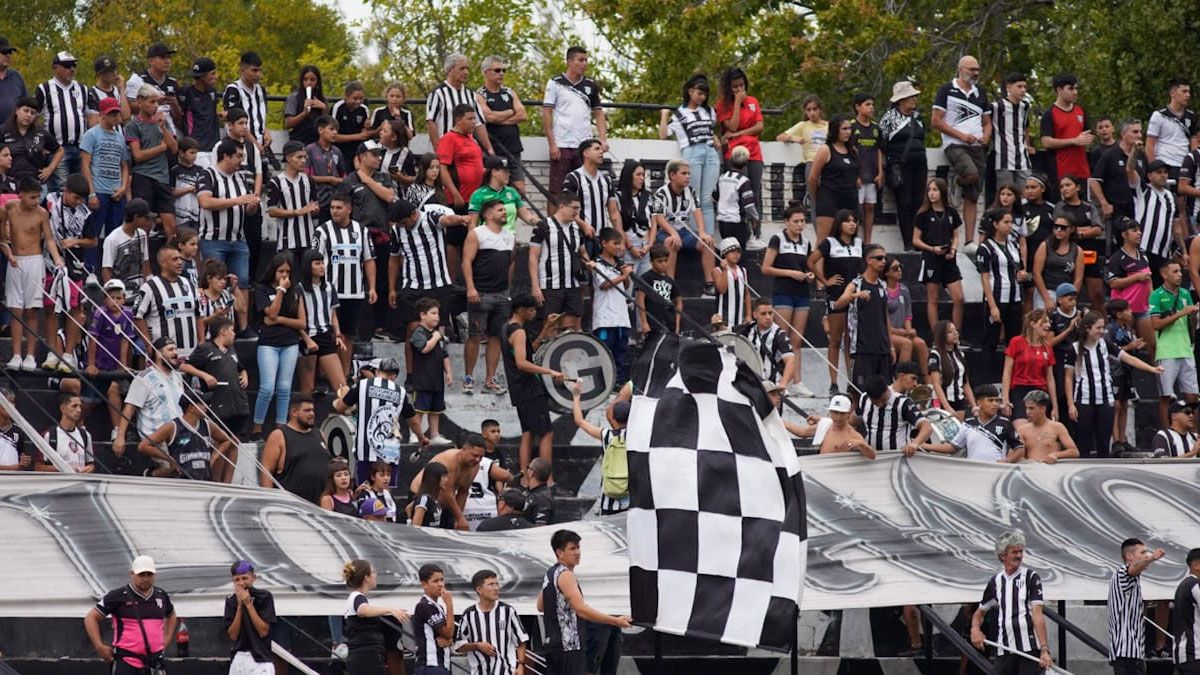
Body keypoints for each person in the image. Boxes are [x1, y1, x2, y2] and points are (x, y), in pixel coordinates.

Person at [1064, 311, 1161, 458]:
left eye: (1103, 327)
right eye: (1098, 328)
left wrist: (1151, 369)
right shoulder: (1074, 348)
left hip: (1105, 399)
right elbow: (1068, 378)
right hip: (1083, 399)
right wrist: (1071, 404)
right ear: (1087, 328)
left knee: (1104, 442)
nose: (1102, 331)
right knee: (1084, 442)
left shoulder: (1105, 344)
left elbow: (1128, 358)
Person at [386, 198, 469, 364]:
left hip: (438, 285)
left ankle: (436, 370)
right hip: (411, 285)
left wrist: (460, 219)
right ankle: (411, 373)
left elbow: (446, 220)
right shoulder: (397, 230)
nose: (403, 226)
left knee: (436, 331)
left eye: (404, 223)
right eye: (400, 224)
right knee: (412, 330)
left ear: (414, 214)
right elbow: (394, 259)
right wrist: (392, 288)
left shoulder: (430, 218)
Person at [538, 530, 632, 675]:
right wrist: (615, 621)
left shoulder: (550, 573)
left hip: (553, 644)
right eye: (572, 548)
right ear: (559, 552)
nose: (577, 552)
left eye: (578, 547)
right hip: (569, 645)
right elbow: (581, 610)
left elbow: (540, 606)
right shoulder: (566, 575)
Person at [969, 530, 1054, 673]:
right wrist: (975, 630)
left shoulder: (1031, 577)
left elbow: (1037, 614)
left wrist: (1044, 649)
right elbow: (979, 613)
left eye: (1021, 551)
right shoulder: (996, 581)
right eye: (1014, 552)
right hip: (1004, 648)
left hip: (1029, 648)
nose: (1019, 555)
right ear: (1003, 555)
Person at [3, 177, 64, 371]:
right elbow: (2, 239)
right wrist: (9, 254)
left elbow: (50, 240)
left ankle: (30, 355)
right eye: (32, 197)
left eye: (38, 197)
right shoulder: (9, 208)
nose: (36, 201)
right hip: (15, 261)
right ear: (21, 195)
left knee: (31, 311)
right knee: (15, 310)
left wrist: (57, 259)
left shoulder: (42, 213)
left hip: (35, 261)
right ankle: (16, 355)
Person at [333, 357, 425, 483]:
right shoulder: (400, 392)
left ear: (377, 372)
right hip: (390, 452)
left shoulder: (363, 385)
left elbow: (340, 407)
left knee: (364, 488)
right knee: (386, 488)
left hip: (365, 450)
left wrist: (344, 392)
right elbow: (413, 421)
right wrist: (421, 438)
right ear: (394, 376)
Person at [197, 138, 257, 324]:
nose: (242, 161)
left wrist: (251, 206)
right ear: (225, 156)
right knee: (215, 282)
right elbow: (205, 202)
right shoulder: (207, 174)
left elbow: (246, 209)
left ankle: (243, 327)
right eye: (238, 156)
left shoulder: (240, 177)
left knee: (242, 282)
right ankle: (216, 325)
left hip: (238, 239)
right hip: (213, 239)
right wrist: (238, 201)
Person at [932, 56, 991, 242]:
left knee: (973, 197)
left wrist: (986, 136)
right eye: (972, 69)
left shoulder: (980, 92)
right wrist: (960, 136)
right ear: (961, 69)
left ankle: (969, 241)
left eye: (977, 70)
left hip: (977, 146)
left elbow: (987, 122)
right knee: (971, 173)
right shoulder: (946, 89)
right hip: (955, 144)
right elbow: (936, 121)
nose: (976, 73)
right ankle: (956, 182)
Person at [85, 555, 176, 675]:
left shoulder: (161, 595)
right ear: (132, 574)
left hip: (154, 663)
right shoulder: (118, 596)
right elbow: (91, 618)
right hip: (127, 663)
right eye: (141, 575)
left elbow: (171, 615)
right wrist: (99, 645)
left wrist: (166, 640)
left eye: (149, 574)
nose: (146, 579)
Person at [42, 173, 97, 370]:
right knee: (50, 306)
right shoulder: (50, 201)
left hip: (74, 264)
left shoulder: (86, 213)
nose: (79, 202)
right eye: (76, 197)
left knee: (73, 307)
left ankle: (68, 354)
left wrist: (75, 241)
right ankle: (52, 351)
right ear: (66, 191)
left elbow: (93, 241)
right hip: (49, 261)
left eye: (82, 199)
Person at [313, 191, 375, 365]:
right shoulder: (322, 231)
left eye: (339, 208)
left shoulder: (361, 230)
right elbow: (313, 261)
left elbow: (369, 260)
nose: (334, 211)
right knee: (329, 334)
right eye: (332, 208)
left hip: (354, 294)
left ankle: (345, 374)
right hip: (329, 293)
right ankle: (327, 375)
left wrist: (372, 287)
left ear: (349, 209)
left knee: (348, 335)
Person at [251, 254, 306, 435]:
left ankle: (281, 428)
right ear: (273, 271)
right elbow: (271, 313)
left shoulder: (296, 290)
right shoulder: (262, 289)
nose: (284, 275)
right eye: (281, 271)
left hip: (290, 343)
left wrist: (279, 320)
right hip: (268, 343)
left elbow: (302, 323)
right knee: (267, 388)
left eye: (287, 272)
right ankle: (257, 428)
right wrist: (281, 290)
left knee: (284, 388)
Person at [543, 46, 605, 207]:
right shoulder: (555, 83)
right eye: (580, 60)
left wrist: (603, 140)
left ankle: (581, 222)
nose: (584, 64)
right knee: (556, 191)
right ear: (570, 61)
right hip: (562, 145)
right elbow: (547, 113)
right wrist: (552, 143)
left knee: (583, 189)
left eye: (586, 60)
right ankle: (553, 223)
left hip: (584, 146)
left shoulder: (590, 85)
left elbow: (599, 113)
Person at [661, 74, 721, 237]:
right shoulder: (679, 114)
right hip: (692, 152)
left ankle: (708, 237)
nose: (702, 97)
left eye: (705, 94)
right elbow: (663, 135)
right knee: (695, 198)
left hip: (710, 153)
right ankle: (698, 237)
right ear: (690, 91)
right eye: (699, 93)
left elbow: (709, 130)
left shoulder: (708, 111)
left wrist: (715, 137)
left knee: (707, 198)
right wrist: (664, 115)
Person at [761, 202, 812, 392]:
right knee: (782, 338)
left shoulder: (806, 242)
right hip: (783, 292)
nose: (800, 225)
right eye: (796, 221)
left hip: (802, 293)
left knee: (797, 339)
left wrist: (809, 275)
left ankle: (797, 382)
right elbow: (766, 268)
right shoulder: (778, 239)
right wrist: (790, 273)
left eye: (803, 221)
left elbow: (807, 266)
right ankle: (780, 379)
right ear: (786, 222)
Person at [810, 209, 862, 395]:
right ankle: (833, 383)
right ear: (839, 224)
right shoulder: (829, 243)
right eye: (847, 221)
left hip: (854, 296)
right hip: (836, 296)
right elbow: (811, 261)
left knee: (850, 341)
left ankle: (850, 381)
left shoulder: (859, 243)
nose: (852, 224)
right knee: (835, 339)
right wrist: (825, 281)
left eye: (854, 220)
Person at [183, 316, 250, 448]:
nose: (234, 334)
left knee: (235, 443)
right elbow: (185, 366)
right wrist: (204, 375)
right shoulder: (205, 348)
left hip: (237, 402)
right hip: (218, 402)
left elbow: (241, 368)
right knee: (219, 441)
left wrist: (244, 375)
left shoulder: (232, 349)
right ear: (223, 331)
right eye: (232, 330)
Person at [113, 335, 184, 457]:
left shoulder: (178, 376)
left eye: (175, 349)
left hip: (178, 436)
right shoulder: (144, 378)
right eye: (170, 349)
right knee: (170, 465)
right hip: (156, 439)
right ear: (159, 354)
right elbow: (129, 408)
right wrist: (120, 437)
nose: (175, 353)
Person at [136, 394, 233, 480]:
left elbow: (226, 440)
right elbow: (143, 446)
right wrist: (168, 458)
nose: (206, 406)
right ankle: (152, 474)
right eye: (201, 404)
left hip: (204, 480)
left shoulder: (208, 425)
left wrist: (214, 457)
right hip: (182, 481)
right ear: (191, 408)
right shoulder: (173, 426)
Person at [1150, 259, 1199, 426]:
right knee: (1165, 396)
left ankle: (1193, 434)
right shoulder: (1156, 295)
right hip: (1166, 351)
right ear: (1164, 274)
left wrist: (1193, 315)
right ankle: (1166, 433)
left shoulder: (1185, 293)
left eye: (1180, 271)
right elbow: (1156, 324)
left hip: (1185, 349)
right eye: (1175, 272)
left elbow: (1191, 321)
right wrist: (1180, 313)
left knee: (1193, 396)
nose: (1180, 275)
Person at [913, 177, 965, 335]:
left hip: (949, 258)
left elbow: (956, 236)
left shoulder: (951, 213)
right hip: (931, 258)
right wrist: (931, 249)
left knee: (959, 298)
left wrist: (953, 249)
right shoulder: (923, 214)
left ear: (942, 191)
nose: (932, 193)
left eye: (935, 190)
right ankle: (937, 336)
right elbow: (916, 240)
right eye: (929, 190)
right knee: (933, 298)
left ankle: (956, 333)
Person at [126, 84, 179, 237]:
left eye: (157, 102)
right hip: (143, 176)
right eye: (151, 102)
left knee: (171, 226)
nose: (155, 106)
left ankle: (169, 251)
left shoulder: (161, 122)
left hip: (162, 177)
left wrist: (163, 128)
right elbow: (138, 155)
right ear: (140, 101)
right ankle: (143, 252)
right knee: (143, 225)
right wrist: (161, 148)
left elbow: (174, 149)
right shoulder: (133, 125)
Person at [530, 191, 587, 331]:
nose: (577, 212)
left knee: (569, 329)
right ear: (562, 206)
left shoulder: (576, 228)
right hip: (550, 285)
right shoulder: (543, 226)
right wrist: (535, 286)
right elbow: (533, 257)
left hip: (572, 284)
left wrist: (588, 263)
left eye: (579, 208)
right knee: (550, 327)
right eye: (574, 208)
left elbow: (582, 251)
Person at [342, 559, 411, 675]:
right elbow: (362, 610)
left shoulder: (358, 598)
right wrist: (390, 610)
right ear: (366, 578)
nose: (376, 575)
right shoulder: (357, 597)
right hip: (365, 658)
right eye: (373, 572)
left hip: (367, 656)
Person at [837, 242, 891, 390]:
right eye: (879, 258)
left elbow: (886, 317)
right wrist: (856, 295)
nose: (883, 261)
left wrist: (890, 345)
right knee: (860, 391)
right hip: (862, 347)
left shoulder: (882, 285)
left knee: (884, 390)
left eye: (885, 258)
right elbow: (839, 303)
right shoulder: (856, 284)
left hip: (882, 346)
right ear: (868, 260)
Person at [1108, 539, 1166, 675]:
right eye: (1142, 552)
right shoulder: (1122, 573)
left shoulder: (1132, 579)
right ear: (1130, 556)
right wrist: (1152, 558)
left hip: (1132, 652)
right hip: (1126, 652)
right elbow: (1131, 570)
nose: (1146, 555)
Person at [880, 81, 926, 250]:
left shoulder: (918, 117)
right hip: (900, 165)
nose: (914, 99)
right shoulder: (889, 117)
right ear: (901, 100)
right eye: (910, 97)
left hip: (919, 164)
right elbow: (882, 142)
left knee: (919, 201)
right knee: (905, 202)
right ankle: (908, 241)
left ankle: (918, 238)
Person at [295, 247, 347, 396]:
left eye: (322, 263)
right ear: (308, 266)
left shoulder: (329, 287)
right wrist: (307, 340)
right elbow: (297, 320)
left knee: (342, 387)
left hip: (326, 337)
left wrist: (338, 335)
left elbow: (333, 315)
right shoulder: (299, 289)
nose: (322, 266)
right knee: (307, 389)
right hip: (307, 338)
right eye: (317, 263)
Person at [456, 569, 529, 675]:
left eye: (497, 584)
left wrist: (521, 665)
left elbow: (521, 641)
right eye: (491, 584)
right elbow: (459, 645)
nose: (496, 588)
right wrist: (477, 646)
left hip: (505, 671)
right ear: (479, 590)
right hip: (479, 671)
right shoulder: (469, 614)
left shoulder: (508, 611)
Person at [923, 384, 1018, 462]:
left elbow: (1019, 448)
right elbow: (952, 448)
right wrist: (924, 446)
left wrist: (1008, 460)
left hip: (995, 473)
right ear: (979, 403)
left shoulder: (1005, 423)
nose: (995, 404)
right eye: (990, 400)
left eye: (997, 401)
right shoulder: (968, 423)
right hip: (973, 472)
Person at [135, 244, 200, 359]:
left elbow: (199, 314)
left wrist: (202, 340)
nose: (180, 262)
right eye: (175, 259)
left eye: (180, 258)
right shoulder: (150, 287)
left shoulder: (189, 284)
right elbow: (137, 316)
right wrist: (148, 344)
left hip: (191, 354)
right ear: (163, 263)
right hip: (163, 356)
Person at [86, 280, 135, 432]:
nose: (115, 301)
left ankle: (117, 430)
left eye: (118, 298)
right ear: (105, 299)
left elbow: (126, 340)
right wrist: (91, 364)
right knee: (90, 401)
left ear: (124, 299)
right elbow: (93, 338)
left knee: (114, 389)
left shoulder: (128, 314)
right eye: (111, 297)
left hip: (115, 364)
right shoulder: (100, 313)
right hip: (100, 363)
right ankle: (80, 423)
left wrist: (123, 363)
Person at [259, 395, 327, 504]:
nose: (312, 414)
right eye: (307, 410)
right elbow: (266, 471)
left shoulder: (319, 433)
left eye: (313, 410)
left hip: (320, 506)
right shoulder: (279, 435)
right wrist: (270, 502)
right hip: (290, 506)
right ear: (294, 412)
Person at [976, 209, 1028, 351]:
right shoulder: (985, 247)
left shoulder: (1014, 245)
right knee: (990, 340)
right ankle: (987, 366)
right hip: (997, 297)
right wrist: (992, 306)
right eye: (1006, 222)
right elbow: (984, 277)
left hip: (1015, 298)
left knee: (1014, 341)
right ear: (995, 224)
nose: (1010, 225)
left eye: (1011, 222)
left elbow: (1021, 269)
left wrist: (1024, 275)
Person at [36, 51, 88, 191]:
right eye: (67, 66)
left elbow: (88, 117)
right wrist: (40, 143)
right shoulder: (44, 88)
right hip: (57, 149)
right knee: (61, 189)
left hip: (80, 147)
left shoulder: (82, 89)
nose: (71, 69)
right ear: (55, 67)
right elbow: (34, 117)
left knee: (79, 189)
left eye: (74, 65)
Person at [716, 67, 764, 216]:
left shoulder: (753, 101)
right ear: (728, 88)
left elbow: (759, 126)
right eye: (735, 86)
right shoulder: (722, 105)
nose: (739, 89)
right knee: (740, 192)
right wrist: (737, 103)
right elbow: (732, 126)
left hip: (754, 152)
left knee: (755, 193)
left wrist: (738, 134)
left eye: (741, 85)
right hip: (734, 152)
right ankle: (741, 227)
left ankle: (755, 228)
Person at [476, 56, 527, 193]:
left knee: (520, 190)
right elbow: (489, 116)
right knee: (496, 189)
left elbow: (523, 114)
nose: (502, 73)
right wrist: (511, 111)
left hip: (513, 149)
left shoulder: (509, 92)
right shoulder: (480, 94)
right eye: (497, 70)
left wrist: (500, 119)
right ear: (486, 72)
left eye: (504, 70)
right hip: (495, 151)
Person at [80, 96, 129, 239]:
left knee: (115, 235)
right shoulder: (91, 134)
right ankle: (90, 256)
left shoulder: (120, 137)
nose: (115, 116)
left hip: (116, 191)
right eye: (111, 113)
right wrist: (91, 193)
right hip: (99, 190)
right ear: (102, 114)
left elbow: (124, 165)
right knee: (92, 234)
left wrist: (123, 188)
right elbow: (85, 164)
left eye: (117, 113)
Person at [855, 365, 933, 455]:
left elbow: (927, 426)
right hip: (871, 457)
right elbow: (853, 419)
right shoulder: (864, 399)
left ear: (887, 390)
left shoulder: (903, 403)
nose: (880, 405)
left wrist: (915, 443)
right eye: (875, 403)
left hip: (896, 458)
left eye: (883, 400)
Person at [1052, 174, 1105, 308]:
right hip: (1069, 254)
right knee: (1070, 294)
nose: (1064, 189)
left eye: (1068, 185)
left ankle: (1102, 320)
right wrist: (1087, 229)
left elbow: (1098, 229)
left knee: (1097, 295)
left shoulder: (1089, 207)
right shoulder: (1059, 207)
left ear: (1077, 187)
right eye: (1061, 186)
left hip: (1090, 253)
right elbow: (1063, 229)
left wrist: (1079, 233)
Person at [1129, 152, 1180, 286]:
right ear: (1149, 175)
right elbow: (1129, 170)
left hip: (1164, 252)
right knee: (1144, 287)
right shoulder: (1143, 190)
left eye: (1165, 172)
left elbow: (1176, 227)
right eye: (1159, 172)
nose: (1163, 175)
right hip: (1144, 249)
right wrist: (1134, 150)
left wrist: (1183, 250)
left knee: (1161, 288)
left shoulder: (1171, 197)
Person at [1105, 217, 1155, 356]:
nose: (1139, 233)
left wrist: (1152, 298)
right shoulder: (1117, 258)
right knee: (1127, 346)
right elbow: (1113, 283)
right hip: (1125, 310)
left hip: (1143, 308)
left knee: (1152, 345)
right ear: (1124, 235)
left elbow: (1149, 277)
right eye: (1134, 230)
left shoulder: (1143, 253)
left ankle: (1156, 369)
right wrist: (1136, 277)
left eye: (1139, 230)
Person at [808, 114, 860, 243]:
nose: (848, 132)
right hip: (829, 200)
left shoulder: (854, 151)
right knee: (823, 241)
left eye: (849, 128)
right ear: (835, 130)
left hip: (850, 200)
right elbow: (812, 178)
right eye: (844, 129)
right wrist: (817, 198)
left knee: (849, 241)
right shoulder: (825, 150)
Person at [426, 54, 492, 154]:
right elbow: (431, 122)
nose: (466, 72)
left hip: (467, 150)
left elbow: (479, 124)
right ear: (449, 70)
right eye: (461, 68)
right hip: (447, 149)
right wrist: (438, 149)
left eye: (467, 68)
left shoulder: (471, 94)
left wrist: (489, 149)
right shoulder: (438, 93)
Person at [409, 296, 453, 445]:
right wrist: (435, 337)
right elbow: (424, 349)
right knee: (420, 408)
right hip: (422, 379)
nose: (437, 317)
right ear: (423, 315)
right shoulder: (418, 333)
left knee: (436, 409)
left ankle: (434, 435)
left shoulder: (438, 335)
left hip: (437, 379)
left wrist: (449, 373)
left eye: (438, 313)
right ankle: (415, 434)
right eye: (433, 313)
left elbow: (444, 355)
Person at [267, 140, 319, 261]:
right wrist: (297, 212)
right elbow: (272, 211)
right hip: (286, 242)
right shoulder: (276, 182)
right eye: (299, 157)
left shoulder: (309, 180)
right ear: (288, 158)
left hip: (308, 240)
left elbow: (315, 205)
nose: (303, 160)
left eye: (305, 157)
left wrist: (315, 210)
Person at [1040, 72, 1091, 193]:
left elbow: (1086, 134)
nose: (1075, 92)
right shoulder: (1049, 113)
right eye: (1071, 89)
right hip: (1061, 172)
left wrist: (1087, 139)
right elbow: (1046, 142)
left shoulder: (1080, 110)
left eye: (1076, 88)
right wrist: (1074, 141)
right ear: (1059, 90)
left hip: (1082, 171)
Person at [1001, 310, 1057, 421]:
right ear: (1033, 324)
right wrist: (1005, 400)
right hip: (1019, 390)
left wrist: (1055, 407)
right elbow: (1007, 372)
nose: (1048, 325)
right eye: (1044, 322)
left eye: (1048, 322)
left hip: (1040, 391)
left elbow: (1050, 378)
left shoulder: (1047, 347)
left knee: (1038, 427)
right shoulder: (1016, 342)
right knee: (1021, 425)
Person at [224, 560, 276, 675]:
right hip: (239, 657)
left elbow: (263, 631)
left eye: (244, 578)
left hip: (260, 659)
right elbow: (233, 635)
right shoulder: (231, 600)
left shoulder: (264, 596)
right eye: (237, 580)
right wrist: (239, 607)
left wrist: (248, 604)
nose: (241, 583)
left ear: (253, 578)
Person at [1145, 79, 1198, 188]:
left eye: (1189, 92)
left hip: (1185, 165)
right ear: (1172, 93)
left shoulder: (1191, 116)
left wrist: (1194, 165)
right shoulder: (1159, 115)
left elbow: (1194, 144)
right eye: (1184, 91)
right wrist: (1154, 169)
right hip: (1165, 164)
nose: (1188, 95)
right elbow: (1150, 144)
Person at [563, 138, 619, 240]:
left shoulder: (606, 179)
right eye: (597, 149)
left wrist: (619, 238)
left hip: (602, 239)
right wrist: (583, 225)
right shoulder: (573, 178)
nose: (601, 152)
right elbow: (567, 208)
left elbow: (614, 213)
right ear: (586, 153)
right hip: (579, 237)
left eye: (601, 149)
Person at [100, 197, 151, 306]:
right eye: (146, 217)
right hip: (121, 294)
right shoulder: (112, 239)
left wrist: (149, 286)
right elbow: (106, 269)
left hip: (139, 293)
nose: (148, 221)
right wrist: (110, 296)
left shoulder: (142, 234)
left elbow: (145, 262)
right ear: (136, 218)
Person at [468, 155, 538, 232]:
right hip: (487, 238)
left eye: (509, 171)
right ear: (494, 172)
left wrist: (540, 222)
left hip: (510, 238)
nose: (509, 174)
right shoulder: (478, 194)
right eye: (505, 171)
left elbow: (527, 216)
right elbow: (472, 225)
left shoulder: (512, 192)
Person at [712, 145, 760, 250]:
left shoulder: (722, 178)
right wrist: (754, 218)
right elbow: (749, 204)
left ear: (731, 160)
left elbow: (715, 196)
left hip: (722, 221)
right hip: (737, 221)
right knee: (738, 251)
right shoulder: (743, 181)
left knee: (727, 250)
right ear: (746, 163)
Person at [884, 256, 927, 373]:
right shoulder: (882, 291)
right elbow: (883, 319)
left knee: (921, 343)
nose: (899, 270)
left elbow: (908, 315)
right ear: (886, 273)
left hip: (902, 331)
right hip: (888, 333)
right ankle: (902, 378)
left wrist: (909, 330)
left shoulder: (904, 289)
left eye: (900, 267)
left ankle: (927, 379)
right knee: (906, 344)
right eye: (895, 268)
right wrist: (898, 332)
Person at [850, 93, 884, 244]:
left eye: (872, 105)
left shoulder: (876, 128)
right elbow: (850, 151)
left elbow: (879, 150)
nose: (871, 108)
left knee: (870, 207)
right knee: (856, 208)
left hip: (872, 174)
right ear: (858, 107)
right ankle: (855, 241)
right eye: (867, 104)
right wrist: (855, 175)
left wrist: (880, 173)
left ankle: (867, 242)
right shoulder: (851, 126)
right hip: (858, 175)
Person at [1011, 389, 1079, 462]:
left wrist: (1056, 455)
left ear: (1043, 409)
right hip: (1030, 467)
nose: (1028, 412)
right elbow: (1014, 454)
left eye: (1031, 408)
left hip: (1051, 467)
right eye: (1026, 408)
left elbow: (1074, 452)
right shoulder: (1022, 430)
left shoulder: (1057, 427)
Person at [1032, 216, 1083, 311]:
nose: (1058, 230)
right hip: (1046, 290)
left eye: (1063, 228)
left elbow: (1078, 279)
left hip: (1067, 292)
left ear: (1072, 229)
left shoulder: (1077, 250)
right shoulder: (1045, 246)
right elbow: (1036, 273)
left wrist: (1071, 298)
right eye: (1056, 227)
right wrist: (1046, 298)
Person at [992, 72, 1033, 188]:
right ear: (1008, 87)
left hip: (1022, 155)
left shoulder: (1025, 106)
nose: (1023, 90)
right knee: (1006, 191)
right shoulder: (997, 106)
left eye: (1025, 87)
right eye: (1019, 86)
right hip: (1003, 156)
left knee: (1027, 190)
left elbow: (1025, 126)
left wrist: (1028, 144)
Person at [222, 51, 269, 151]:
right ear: (242, 70)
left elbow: (261, 118)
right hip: (239, 145)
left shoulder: (261, 90)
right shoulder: (233, 89)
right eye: (254, 70)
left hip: (260, 144)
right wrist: (255, 144)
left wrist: (266, 132)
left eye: (260, 70)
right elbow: (236, 122)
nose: (258, 74)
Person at [413, 563, 455, 675]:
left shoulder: (438, 606)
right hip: (430, 665)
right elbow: (448, 633)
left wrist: (449, 640)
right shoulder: (424, 605)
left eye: (442, 580)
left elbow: (448, 634)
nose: (441, 584)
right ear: (424, 584)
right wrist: (449, 605)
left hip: (442, 664)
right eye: (435, 581)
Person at [34, 393, 93, 472]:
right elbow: (38, 468)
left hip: (80, 479)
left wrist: (88, 469)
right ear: (63, 408)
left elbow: (90, 464)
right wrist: (65, 468)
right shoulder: (49, 435)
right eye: (74, 406)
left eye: (80, 406)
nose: (79, 410)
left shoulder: (85, 435)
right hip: (59, 480)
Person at [928, 320, 974, 418]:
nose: (955, 333)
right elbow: (936, 384)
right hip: (943, 402)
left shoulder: (960, 354)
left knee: (960, 427)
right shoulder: (935, 355)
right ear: (941, 335)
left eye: (955, 330)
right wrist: (947, 407)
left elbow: (965, 383)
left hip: (959, 400)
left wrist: (974, 405)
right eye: (950, 332)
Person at [306, 115, 346, 220]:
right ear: (320, 130)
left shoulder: (337, 151)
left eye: (336, 130)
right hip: (318, 199)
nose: (335, 132)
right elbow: (306, 177)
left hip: (335, 200)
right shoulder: (310, 150)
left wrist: (341, 181)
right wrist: (329, 179)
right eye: (331, 129)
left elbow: (343, 174)